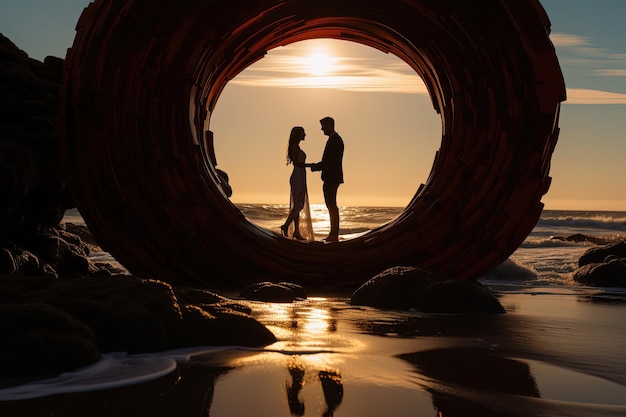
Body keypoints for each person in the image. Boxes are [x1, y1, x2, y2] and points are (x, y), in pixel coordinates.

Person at [311, 116, 344, 242]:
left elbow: (329, 161)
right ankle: (333, 233)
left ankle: (334, 234)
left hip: (332, 177)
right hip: (332, 176)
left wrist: (316, 167)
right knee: (331, 205)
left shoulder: (335, 140)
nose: (321, 129)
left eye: (323, 126)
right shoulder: (334, 139)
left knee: (331, 205)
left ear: (329, 125)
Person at [281, 126, 314, 240]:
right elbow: (296, 163)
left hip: (300, 176)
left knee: (297, 205)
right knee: (299, 205)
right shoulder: (295, 147)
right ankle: (285, 226)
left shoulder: (296, 146)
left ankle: (296, 231)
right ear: (298, 134)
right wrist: (311, 165)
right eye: (303, 133)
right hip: (298, 176)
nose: (305, 135)